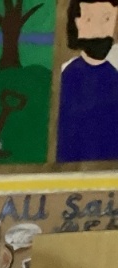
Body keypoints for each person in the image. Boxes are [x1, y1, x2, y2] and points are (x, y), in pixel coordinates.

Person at [57, 0, 118, 163]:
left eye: (107, 19)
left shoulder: (114, 76)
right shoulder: (66, 77)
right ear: (76, 23)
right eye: (89, 19)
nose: (99, 31)